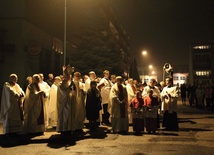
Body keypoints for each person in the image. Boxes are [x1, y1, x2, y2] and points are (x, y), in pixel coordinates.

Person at [56, 65, 75, 135]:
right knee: (64, 116)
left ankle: (69, 128)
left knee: (69, 116)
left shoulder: (68, 83)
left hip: (69, 103)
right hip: (63, 104)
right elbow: (64, 92)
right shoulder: (61, 84)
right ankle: (63, 129)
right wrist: (70, 87)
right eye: (67, 76)